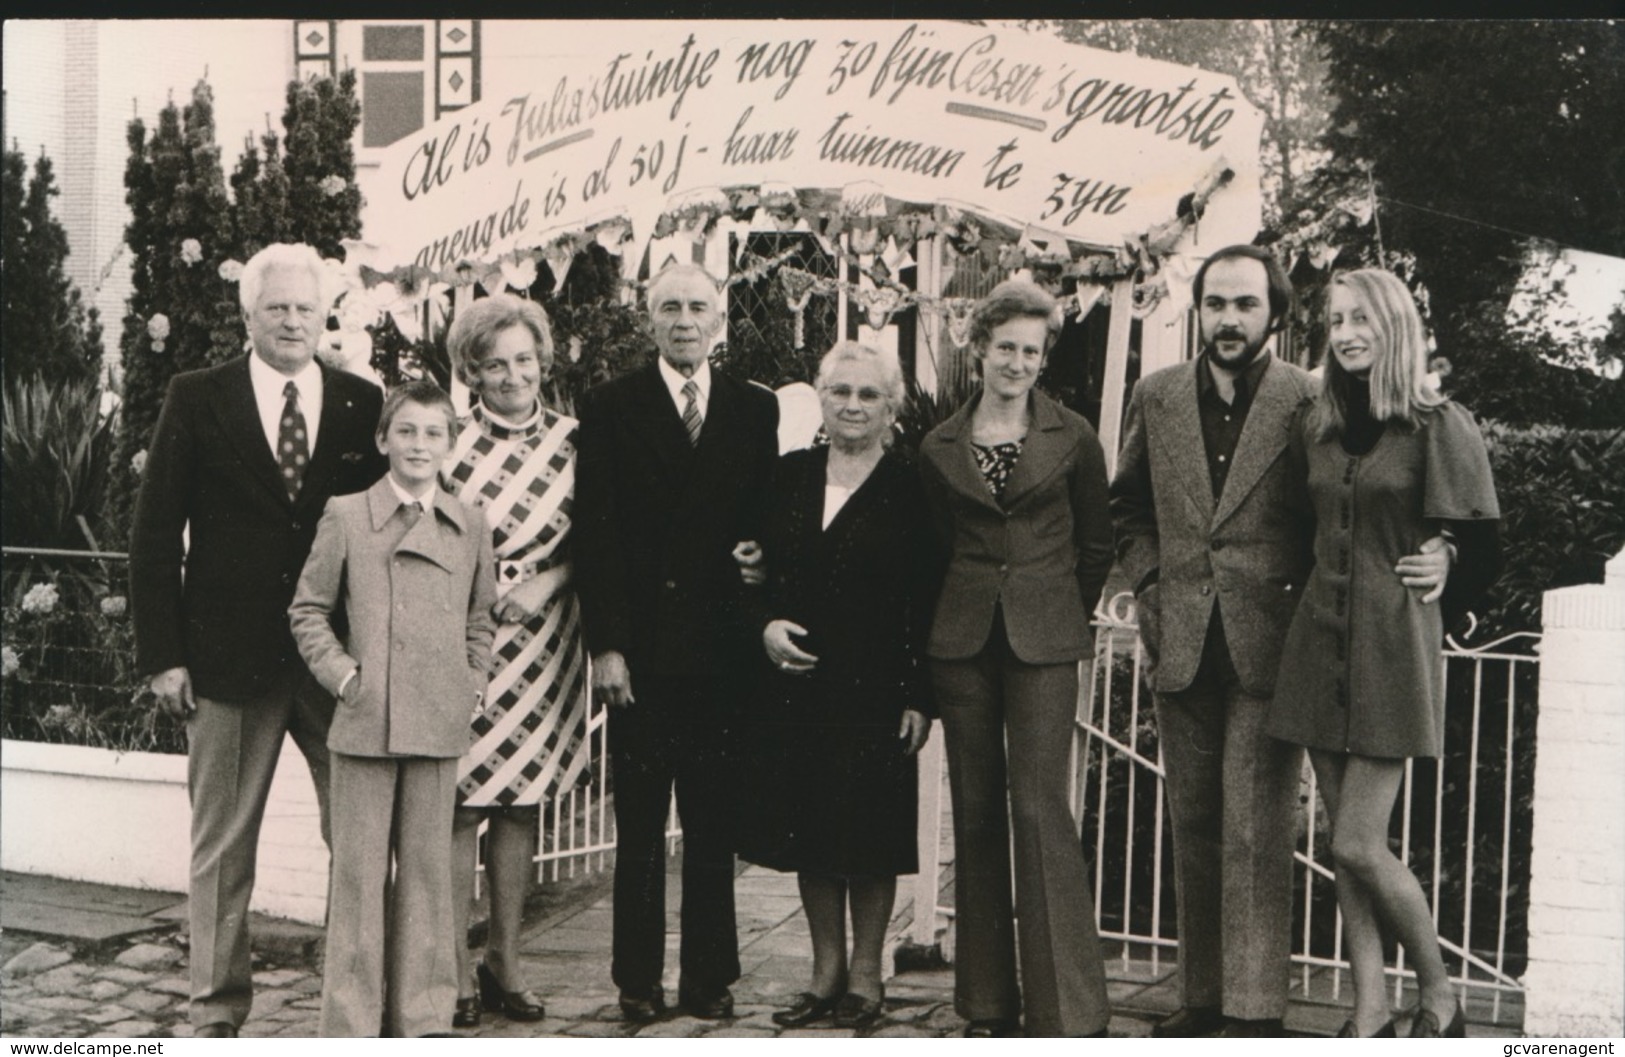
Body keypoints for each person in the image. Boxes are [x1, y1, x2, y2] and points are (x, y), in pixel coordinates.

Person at [1110, 245, 1451, 1038]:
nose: (1228, 318)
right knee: (1192, 821)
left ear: (1274, 314)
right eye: (1215, 303)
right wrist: (1150, 583)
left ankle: (1253, 1009)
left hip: (1277, 644)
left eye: (1245, 304)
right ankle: (1200, 999)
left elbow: (1356, 502)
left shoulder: (1310, 398)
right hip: (1182, 637)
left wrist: (1446, 549)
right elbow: (1127, 505)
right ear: (1197, 309)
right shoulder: (1154, 396)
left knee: (1256, 828)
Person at [129, 242, 387, 1038]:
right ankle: (214, 1007)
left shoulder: (358, 401)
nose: (292, 321)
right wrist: (164, 654)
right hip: (226, 660)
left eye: (306, 308)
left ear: (324, 316)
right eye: (276, 307)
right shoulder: (198, 396)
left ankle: (353, 1009)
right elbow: (152, 531)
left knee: (358, 841)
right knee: (222, 846)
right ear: (248, 316)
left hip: (333, 662)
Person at [1266, 268, 1499, 1039]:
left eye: (1361, 317)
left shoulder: (1438, 422)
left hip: (1392, 651)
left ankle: (1437, 992)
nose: (1346, 332)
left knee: (1357, 841)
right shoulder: (1319, 423)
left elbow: (1487, 546)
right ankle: (1368, 1008)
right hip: (1317, 646)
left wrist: (1449, 559)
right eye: (1335, 320)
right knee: (1344, 848)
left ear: (1394, 324)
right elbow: (1299, 529)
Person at [574, 263, 779, 1023]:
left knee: (712, 824)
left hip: (722, 653)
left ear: (719, 320)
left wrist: (763, 560)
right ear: (648, 319)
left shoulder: (751, 409)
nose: (684, 319)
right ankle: (636, 980)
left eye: (697, 307)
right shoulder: (611, 405)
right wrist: (609, 646)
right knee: (638, 829)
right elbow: (595, 535)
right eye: (669, 307)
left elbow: (765, 516)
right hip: (646, 654)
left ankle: (708, 978)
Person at [918, 278, 1114, 1038]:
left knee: (1038, 807)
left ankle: (1067, 1007)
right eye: (1006, 347)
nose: (1018, 362)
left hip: (1043, 642)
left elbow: (1094, 544)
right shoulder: (937, 445)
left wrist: (1059, 607)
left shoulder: (1073, 437)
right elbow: (933, 552)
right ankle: (987, 1002)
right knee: (972, 812)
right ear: (979, 348)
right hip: (962, 645)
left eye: (1031, 351)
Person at [735, 342, 943, 1031]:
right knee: (811, 829)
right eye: (840, 391)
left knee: (869, 834)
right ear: (820, 398)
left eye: (868, 394)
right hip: (796, 682)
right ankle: (823, 974)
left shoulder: (912, 485)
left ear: (891, 408)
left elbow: (929, 595)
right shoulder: (787, 475)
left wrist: (920, 693)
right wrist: (763, 625)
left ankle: (866, 977)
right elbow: (750, 568)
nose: (852, 405)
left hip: (876, 687)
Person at [289, 380, 497, 1037]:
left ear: (450, 444)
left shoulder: (469, 522)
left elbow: (481, 617)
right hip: (365, 720)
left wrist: (473, 680)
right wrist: (345, 676)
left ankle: (423, 1016)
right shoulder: (347, 514)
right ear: (383, 439)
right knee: (356, 876)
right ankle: (350, 1022)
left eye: (434, 432)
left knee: (431, 877)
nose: (419, 445)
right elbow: (308, 609)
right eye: (406, 430)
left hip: (437, 721)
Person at [441, 294, 589, 1028]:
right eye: (494, 363)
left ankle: (505, 962)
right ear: (471, 370)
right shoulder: (448, 444)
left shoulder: (575, 441)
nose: (511, 375)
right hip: (464, 639)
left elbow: (595, 543)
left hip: (546, 639)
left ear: (542, 361)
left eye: (523, 359)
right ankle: (449, 972)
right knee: (461, 801)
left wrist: (547, 583)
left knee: (521, 800)